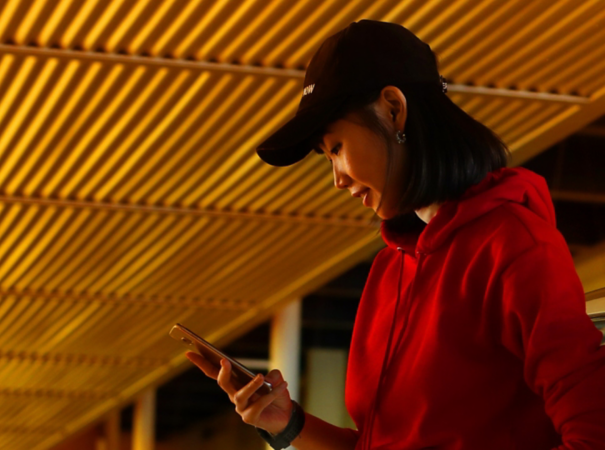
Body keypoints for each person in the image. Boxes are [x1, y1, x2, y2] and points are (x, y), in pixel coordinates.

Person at [186, 19, 605, 449]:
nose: (337, 179)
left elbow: (594, 432)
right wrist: (287, 423)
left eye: (336, 148)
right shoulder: (391, 269)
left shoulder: (514, 246)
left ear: (392, 109)